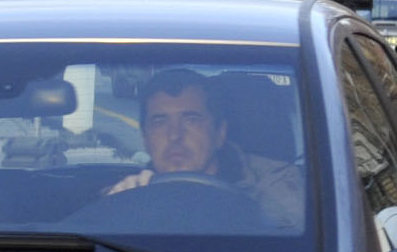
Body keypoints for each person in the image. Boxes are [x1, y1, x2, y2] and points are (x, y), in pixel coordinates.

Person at [105, 69, 307, 225]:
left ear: (220, 133)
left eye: (191, 120)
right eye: (160, 122)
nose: (175, 135)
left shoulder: (276, 186)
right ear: (145, 137)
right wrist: (120, 205)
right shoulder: (129, 193)